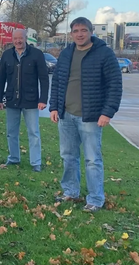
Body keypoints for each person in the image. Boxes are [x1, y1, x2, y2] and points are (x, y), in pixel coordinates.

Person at [50, 17, 122, 212]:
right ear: (71, 33)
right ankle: (71, 192)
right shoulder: (66, 54)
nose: (80, 34)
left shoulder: (104, 54)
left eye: (83, 30)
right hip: (66, 115)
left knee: (92, 159)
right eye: (76, 31)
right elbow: (57, 82)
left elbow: (115, 85)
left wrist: (107, 112)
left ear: (91, 32)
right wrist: (54, 107)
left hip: (91, 117)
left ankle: (96, 199)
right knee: (68, 156)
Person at [0, 29, 49, 172]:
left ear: (26, 39)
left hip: (31, 101)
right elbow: (1, 79)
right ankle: (13, 158)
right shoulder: (7, 55)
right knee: (11, 132)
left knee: (34, 133)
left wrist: (43, 99)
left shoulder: (37, 55)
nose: (18, 41)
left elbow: (44, 79)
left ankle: (36, 163)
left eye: (21, 38)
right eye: (15, 38)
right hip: (12, 99)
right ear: (12, 39)